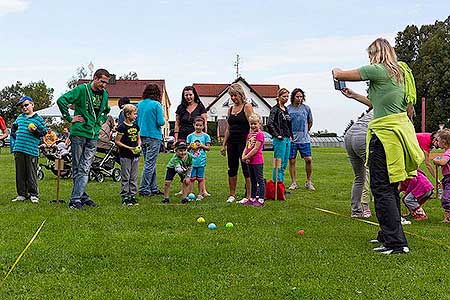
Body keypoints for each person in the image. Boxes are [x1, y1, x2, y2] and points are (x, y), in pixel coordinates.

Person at [333, 38, 423, 255]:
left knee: (381, 188)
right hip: (397, 133)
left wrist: (335, 71)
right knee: (390, 187)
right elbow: (379, 105)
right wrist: (354, 95)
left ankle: (396, 243)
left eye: (370, 55)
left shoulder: (378, 70)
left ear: (375, 53)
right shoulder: (400, 74)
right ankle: (388, 234)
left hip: (383, 136)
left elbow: (340, 74)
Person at [57, 68, 111, 209]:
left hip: (93, 135)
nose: (104, 85)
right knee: (78, 167)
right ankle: (79, 198)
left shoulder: (104, 94)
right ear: (95, 78)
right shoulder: (82, 90)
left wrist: (101, 121)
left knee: (85, 167)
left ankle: (77, 198)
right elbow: (62, 100)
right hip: (79, 133)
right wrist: (69, 118)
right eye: (102, 81)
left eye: (106, 83)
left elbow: (106, 110)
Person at [220, 83, 253, 203]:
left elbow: (252, 126)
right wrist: (224, 145)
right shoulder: (230, 109)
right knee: (232, 168)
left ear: (241, 94)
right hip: (232, 143)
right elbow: (228, 128)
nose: (233, 98)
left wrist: (250, 144)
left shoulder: (247, 107)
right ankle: (232, 195)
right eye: (231, 96)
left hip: (244, 142)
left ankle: (249, 195)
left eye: (235, 95)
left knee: (246, 168)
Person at [11, 96, 47, 203]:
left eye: (26, 105)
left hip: (31, 150)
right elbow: (13, 129)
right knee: (20, 173)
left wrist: (35, 131)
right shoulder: (20, 117)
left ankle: (33, 194)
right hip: (19, 149)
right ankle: (22, 194)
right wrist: (14, 134)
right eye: (22, 106)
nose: (24, 108)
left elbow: (43, 132)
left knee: (31, 173)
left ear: (32, 104)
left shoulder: (38, 119)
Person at [136, 84, 165, 196]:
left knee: (150, 163)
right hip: (154, 136)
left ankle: (153, 187)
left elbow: (136, 121)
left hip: (142, 136)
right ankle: (144, 188)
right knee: (150, 164)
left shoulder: (140, 104)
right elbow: (161, 122)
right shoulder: (156, 104)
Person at [344, 109, 374, 218]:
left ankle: (356, 211)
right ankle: (389, 214)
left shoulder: (378, 105)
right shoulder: (393, 110)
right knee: (381, 175)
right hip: (362, 136)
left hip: (349, 135)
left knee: (359, 177)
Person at [287, 88, 315, 191]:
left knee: (308, 160)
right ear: (293, 97)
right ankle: (294, 182)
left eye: (301, 97)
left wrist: (306, 131)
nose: (299, 98)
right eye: (297, 96)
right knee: (292, 161)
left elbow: (310, 122)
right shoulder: (288, 109)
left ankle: (308, 181)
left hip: (304, 139)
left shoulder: (306, 108)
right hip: (292, 139)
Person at [115, 104, 141, 206]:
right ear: (127, 114)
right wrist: (128, 148)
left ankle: (132, 195)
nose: (136, 116)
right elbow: (117, 141)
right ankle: (125, 196)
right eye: (134, 114)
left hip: (135, 155)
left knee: (134, 176)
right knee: (126, 176)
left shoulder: (136, 126)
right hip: (125, 155)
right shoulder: (122, 127)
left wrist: (139, 145)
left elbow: (138, 138)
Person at [268, 88, 292, 185]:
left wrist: (290, 135)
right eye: (284, 96)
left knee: (284, 163)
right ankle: (276, 185)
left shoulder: (286, 109)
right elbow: (270, 123)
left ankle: (280, 184)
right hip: (279, 139)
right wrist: (277, 134)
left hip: (287, 138)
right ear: (278, 97)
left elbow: (288, 124)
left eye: (287, 96)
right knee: (278, 163)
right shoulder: (275, 109)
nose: (286, 98)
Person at [241, 113, 265, 207]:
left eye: (255, 123)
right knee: (252, 180)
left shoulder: (260, 134)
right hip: (249, 161)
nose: (253, 125)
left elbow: (255, 149)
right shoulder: (250, 135)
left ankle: (261, 199)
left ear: (259, 124)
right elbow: (247, 147)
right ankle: (252, 198)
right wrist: (244, 156)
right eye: (251, 124)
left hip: (257, 161)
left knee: (260, 180)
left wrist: (246, 157)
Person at [186, 117, 211, 201]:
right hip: (192, 162)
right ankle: (191, 194)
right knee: (192, 179)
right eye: (197, 125)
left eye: (200, 125)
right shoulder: (190, 136)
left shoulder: (206, 136)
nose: (198, 127)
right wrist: (191, 146)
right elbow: (186, 148)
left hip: (201, 161)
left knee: (200, 179)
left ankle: (200, 194)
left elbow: (208, 148)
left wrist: (201, 146)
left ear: (203, 126)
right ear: (194, 125)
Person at [433, 129, 450, 222]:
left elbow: (443, 161)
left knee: (447, 198)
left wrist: (436, 160)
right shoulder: (447, 151)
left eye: (438, 141)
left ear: (444, 142)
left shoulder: (448, 152)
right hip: (447, 177)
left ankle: (449, 217)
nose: (437, 142)